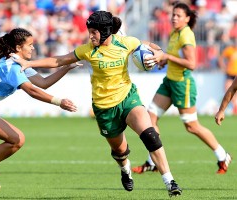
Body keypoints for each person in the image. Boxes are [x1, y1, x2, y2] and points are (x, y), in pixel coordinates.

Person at [13, 10, 182, 196]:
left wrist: (159, 54)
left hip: (128, 98)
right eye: (89, 31)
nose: (90, 35)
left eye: (94, 32)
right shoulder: (87, 50)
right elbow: (58, 60)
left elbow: (153, 46)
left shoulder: (126, 42)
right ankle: (126, 171)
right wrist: (29, 64)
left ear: (106, 31)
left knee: (150, 135)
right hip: (103, 107)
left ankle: (170, 182)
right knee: (120, 151)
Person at [0, 28, 77, 199]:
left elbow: (43, 83)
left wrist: (67, 67)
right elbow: (32, 91)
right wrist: (59, 102)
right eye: (30, 45)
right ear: (19, 47)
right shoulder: (11, 66)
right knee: (17, 139)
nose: (33, 48)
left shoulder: (19, 62)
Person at [132, 2, 232, 175]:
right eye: (173, 14)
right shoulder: (175, 32)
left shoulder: (186, 35)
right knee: (150, 119)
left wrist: (166, 56)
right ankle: (153, 161)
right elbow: (173, 56)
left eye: (178, 15)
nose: (174, 18)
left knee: (192, 126)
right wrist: (164, 60)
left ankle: (223, 155)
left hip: (182, 85)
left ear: (187, 18)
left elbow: (191, 64)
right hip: (169, 81)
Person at [218, 37, 237, 114]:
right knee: (228, 89)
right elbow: (221, 58)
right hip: (230, 74)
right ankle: (235, 105)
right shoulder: (229, 50)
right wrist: (223, 67)